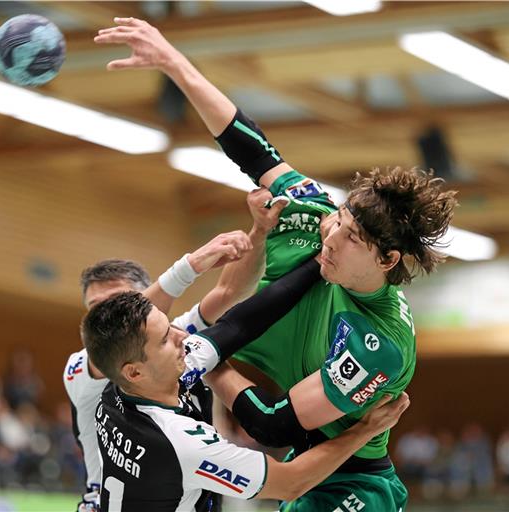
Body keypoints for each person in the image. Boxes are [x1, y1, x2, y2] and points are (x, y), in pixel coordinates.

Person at [94, 17, 457, 511]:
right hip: (298, 465)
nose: (330, 234)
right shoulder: (314, 222)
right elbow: (249, 144)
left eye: (350, 237)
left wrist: (201, 360)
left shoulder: (380, 344)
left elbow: (272, 423)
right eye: (338, 219)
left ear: (388, 259)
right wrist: (174, 63)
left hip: (350, 480)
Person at [81, 287, 410, 511]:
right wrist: (365, 430)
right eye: (167, 339)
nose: (183, 338)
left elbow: (238, 324)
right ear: (134, 371)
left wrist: (315, 264)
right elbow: (290, 482)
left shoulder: (115, 393)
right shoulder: (180, 444)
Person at [65, 212, 282, 511]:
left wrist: (258, 232)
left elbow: (229, 292)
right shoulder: (82, 367)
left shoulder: (172, 340)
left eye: (119, 300)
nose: (109, 315)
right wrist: (189, 266)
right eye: (96, 308)